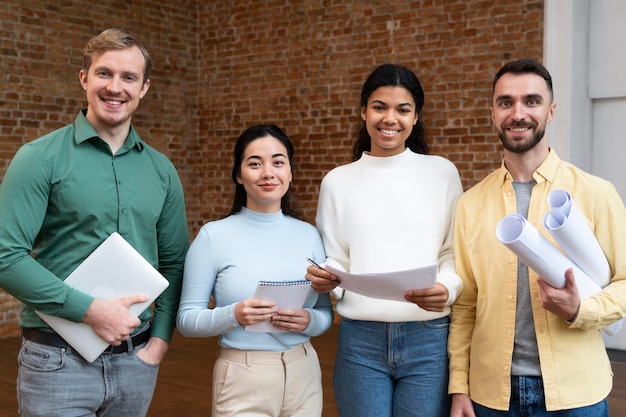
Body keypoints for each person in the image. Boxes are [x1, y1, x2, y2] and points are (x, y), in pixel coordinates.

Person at [0, 28, 190, 416]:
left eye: (128, 77)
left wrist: (159, 343)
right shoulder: (39, 159)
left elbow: (174, 263)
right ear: (84, 78)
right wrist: (90, 310)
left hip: (135, 362)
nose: (115, 87)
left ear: (144, 88)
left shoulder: (162, 171)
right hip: (56, 363)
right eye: (104, 73)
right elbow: (5, 256)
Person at [448, 58, 626, 417]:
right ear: (493, 112)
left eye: (531, 101)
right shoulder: (470, 204)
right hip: (490, 396)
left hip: (576, 394)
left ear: (551, 111)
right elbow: (466, 305)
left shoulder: (596, 193)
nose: (518, 113)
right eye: (505, 102)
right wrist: (459, 388)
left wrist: (580, 310)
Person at [305, 63, 464, 417]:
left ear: (416, 116)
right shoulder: (337, 182)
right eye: (379, 107)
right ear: (363, 112)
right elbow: (336, 257)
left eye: (402, 109)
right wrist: (328, 277)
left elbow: (453, 251)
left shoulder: (442, 173)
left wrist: (448, 287)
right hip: (360, 339)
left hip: (429, 336)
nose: (389, 118)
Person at [176, 124, 334, 417]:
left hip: (304, 372)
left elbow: (326, 314)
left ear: (290, 171)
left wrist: (308, 320)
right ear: (239, 175)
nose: (267, 172)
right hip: (242, 376)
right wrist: (234, 315)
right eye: (254, 163)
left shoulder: (310, 235)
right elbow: (186, 320)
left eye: (278, 162)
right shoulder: (213, 237)